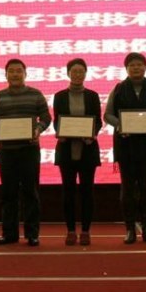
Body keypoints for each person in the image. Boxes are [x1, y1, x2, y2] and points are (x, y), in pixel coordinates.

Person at [0, 58, 51, 247]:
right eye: (12, 71)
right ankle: (9, 234)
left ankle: (32, 234)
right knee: (8, 194)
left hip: (29, 151)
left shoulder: (36, 94)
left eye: (19, 71)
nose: (15, 74)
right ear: (6, 75)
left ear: (25, 73)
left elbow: (46, 117)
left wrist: (38, 129)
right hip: (7, 152)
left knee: (31, 192)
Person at [104, 52, 146, 244]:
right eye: (132, 65)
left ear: (145, 67)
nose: (136, 68)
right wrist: (120, 125)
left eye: (139, 65)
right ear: (126, 69)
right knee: (128, 189)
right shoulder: (118, 89)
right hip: (125, 146)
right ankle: (130, 229)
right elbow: (108, 115)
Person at [52, 58, 103, 246]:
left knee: (87, 191)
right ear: (68, 73)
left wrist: (92, 134)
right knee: (68, 192)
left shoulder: (92, 96)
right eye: (74, 71)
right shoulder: (59, 96)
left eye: (81, 71)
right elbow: (57, 121)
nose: (77, 74)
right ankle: (71, 230)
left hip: (88, 149)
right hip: (66, 149)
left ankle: (86, 230)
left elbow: (98, 121)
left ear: (86, 74)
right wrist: (60, 132)